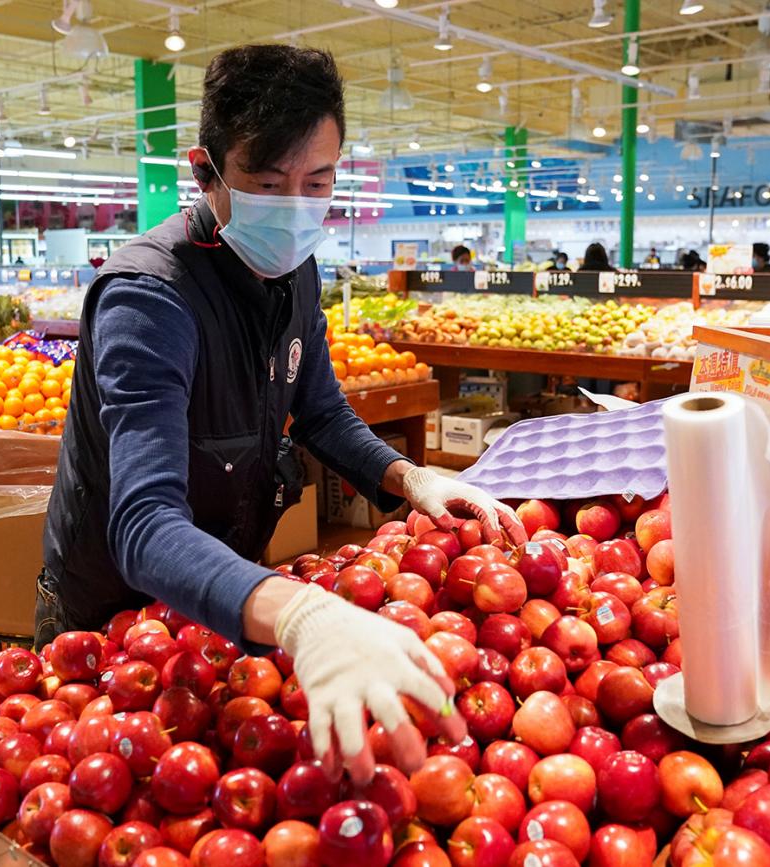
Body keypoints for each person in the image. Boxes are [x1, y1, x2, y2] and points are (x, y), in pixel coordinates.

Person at [39, 44, 525, 784]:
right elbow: (143, 526)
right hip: (116, 615)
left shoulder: (295, 271)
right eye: (269, 183)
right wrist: (301, 614)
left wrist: (409, 476)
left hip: (230, 595)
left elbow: (321, 411)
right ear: (206, 171)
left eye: (318, 180)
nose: (298, 206)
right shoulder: (147, 298)